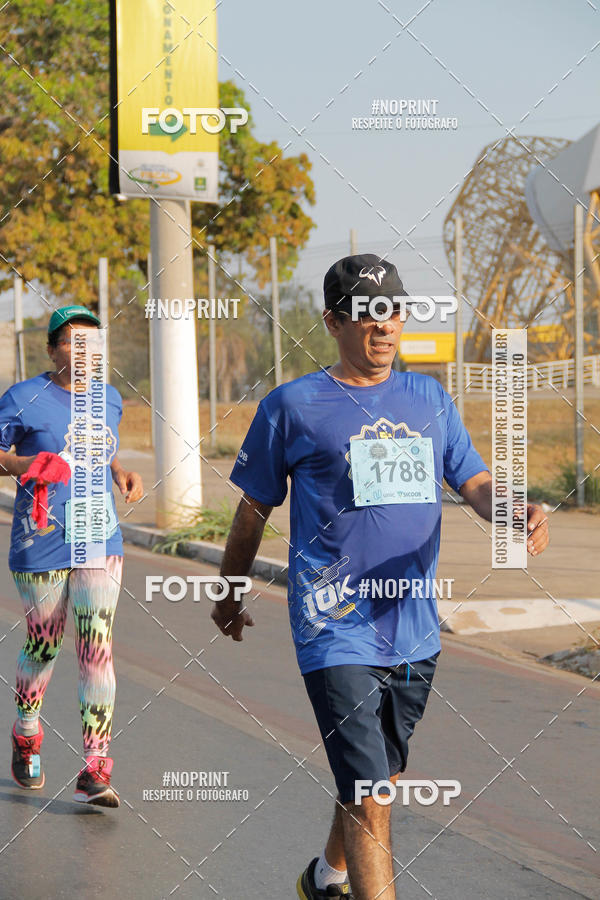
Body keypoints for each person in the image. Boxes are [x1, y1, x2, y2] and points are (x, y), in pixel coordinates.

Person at [211, 254, 549, 900]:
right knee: (372, 797)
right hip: (333, 628)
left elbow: (473, 481)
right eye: (368, 313)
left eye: (395, 310)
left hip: (414, 631)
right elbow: (253, 508)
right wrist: (228, 593)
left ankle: (325, 877)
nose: (385, 325)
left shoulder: (429, 399)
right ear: (334, 323)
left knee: (377, 782)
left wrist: (512, 509)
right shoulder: (293, 406)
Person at [1, 305, 143, 807]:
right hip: (39, 539)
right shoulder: (22, 398)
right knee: (45, 643)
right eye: (74, 344)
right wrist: (25, 462)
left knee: (96, 649)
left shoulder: (109, 399)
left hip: (98, 537)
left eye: (94, 345)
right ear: (53, 349)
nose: (85, 354)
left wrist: (120, 471)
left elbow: (99, 450)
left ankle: (95, 766)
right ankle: (26, 730)